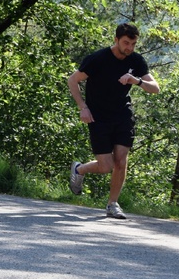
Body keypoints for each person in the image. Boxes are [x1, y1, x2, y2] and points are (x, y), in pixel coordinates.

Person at [67, 23, 159, 219]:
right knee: (105, 166)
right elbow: (72, 80)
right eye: (126, 43)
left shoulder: (136, 60)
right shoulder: (98, 59)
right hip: (98, 117)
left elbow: (155, 88)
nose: (130, 48)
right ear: (116, 40)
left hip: (122, 116)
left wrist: (137, 81)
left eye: (133, 43)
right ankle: (80, 169)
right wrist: (83, 107)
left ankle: (112, 204)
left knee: (121, 160)